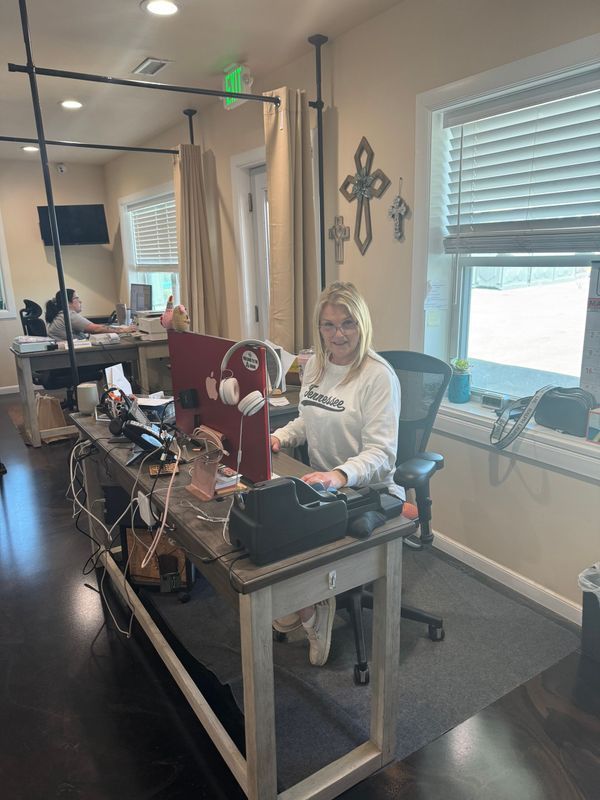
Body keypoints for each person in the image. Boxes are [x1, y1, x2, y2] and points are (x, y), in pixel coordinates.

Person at [270, 281, 401, 667]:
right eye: (328, 325)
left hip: (370, 490)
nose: (338, 334)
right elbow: (307, 418)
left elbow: (382, 453)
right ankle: (306, 600)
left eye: (348, 324)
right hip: (321, 483)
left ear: (362, 325)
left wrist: (340, 476)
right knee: (267, 518)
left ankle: (312, 608)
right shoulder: (316, 365)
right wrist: (279, 437)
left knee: (290, 535)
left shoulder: (378, 377)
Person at [45, 289, 136, 341]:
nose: (80, 301)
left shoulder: (61, 315)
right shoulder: (68, 315)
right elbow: (96, 329)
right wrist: (125, 330)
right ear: (67, 302)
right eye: (76, 298)